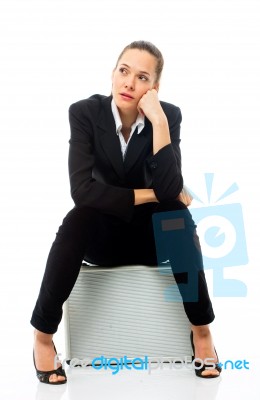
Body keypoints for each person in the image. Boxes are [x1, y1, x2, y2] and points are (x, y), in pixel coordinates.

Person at [31, 40, 221, 384]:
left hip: (152, 242)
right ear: (113, 74)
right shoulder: (85, 113)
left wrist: (159, 121)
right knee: (78, 219)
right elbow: (83, 191)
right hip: (102, 238)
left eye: (142, 77)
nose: (130, 83)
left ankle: (202, 332)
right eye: (124, 71)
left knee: (176, 217)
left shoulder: (169, 116)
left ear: (154, 88)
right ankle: (43, 336)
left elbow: (170, 194)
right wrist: (154, 193)